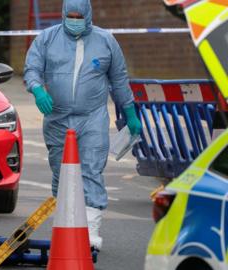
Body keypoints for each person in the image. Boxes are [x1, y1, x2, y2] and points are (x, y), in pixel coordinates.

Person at [24, 0, 141, 252]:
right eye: (70, 15)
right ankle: (66, 227)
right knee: (61, 174)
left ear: (88, 15)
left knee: (91, 170)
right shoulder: (46, 39)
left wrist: (130, 113)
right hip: (57, 119)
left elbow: (119, 80)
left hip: (92, 118)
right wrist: (37, 90)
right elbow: (32, 68)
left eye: (79, 15)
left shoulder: (106, 41)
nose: (74, 19)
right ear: (64, 14)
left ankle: (90, 235)